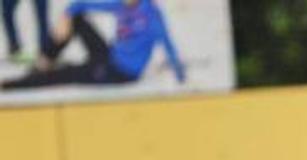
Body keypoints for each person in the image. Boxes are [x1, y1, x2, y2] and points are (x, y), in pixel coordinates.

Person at [2, 0, 183, 91]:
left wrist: (180, 77)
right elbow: (81, 4)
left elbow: (169, 47)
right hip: (109, 56)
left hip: (119, 74)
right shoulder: (120, 4)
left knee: (64, 74)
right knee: (76, 19)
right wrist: (67, 15)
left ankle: (10, 85)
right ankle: (45, 59)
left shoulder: (151, 16)